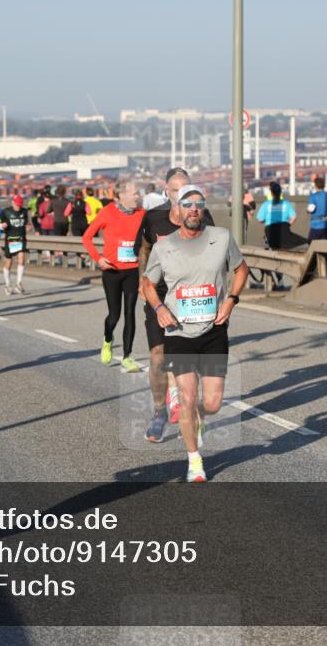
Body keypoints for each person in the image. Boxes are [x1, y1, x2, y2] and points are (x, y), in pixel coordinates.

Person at [142, 185, 247, 483]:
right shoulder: (164, 246)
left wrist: (231, 300)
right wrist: (160, 307)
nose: (193, 210)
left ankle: (196, 419)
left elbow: (240, 269)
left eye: (198, 204)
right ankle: (195, 461)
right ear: (176, 208)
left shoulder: (222, 237)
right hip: (178, 332)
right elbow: (148, 283)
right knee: (187, 399)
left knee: (211, 403)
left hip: (213, 331)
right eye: (187, 204)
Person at [135, 167, 216, 442]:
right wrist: (142, 280)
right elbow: (143, 248)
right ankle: (159, 412)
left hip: (191, 297)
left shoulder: (201, 217)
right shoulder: (154, 218)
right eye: (174, 190)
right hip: (159, 296)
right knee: (158, 356)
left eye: (185, 189)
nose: (180, 195)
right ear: (166, 192)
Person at [82, 178, 145, 373]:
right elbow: (86, 237)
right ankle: (108, 339)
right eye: (134, 193)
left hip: (132, 271)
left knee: (130, 314)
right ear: (122, 196)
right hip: (111, 271)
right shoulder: (107, 212)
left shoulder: (143, 214)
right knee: (114, 315)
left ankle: (127, 356)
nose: (138, 196)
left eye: (138, 193)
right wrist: (98, 258)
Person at [0, 194, 29, 294]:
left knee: (22, 258)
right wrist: (1, 225)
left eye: (20, 205)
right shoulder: (6, 211)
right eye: (17, 205)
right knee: (8, 263)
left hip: (21, 239)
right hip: (10, 240)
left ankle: (19, 283)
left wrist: (28, 226)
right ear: (12, 203)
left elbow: (26, 223)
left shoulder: (24, 211)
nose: (18, 207)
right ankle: (7, 284)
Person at [306, 176, 327, 242]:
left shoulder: (313, 196)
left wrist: (307, 211)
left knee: (311, 244)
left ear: (315, 185)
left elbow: (310, 209)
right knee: (324, 247)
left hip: (316, 225)